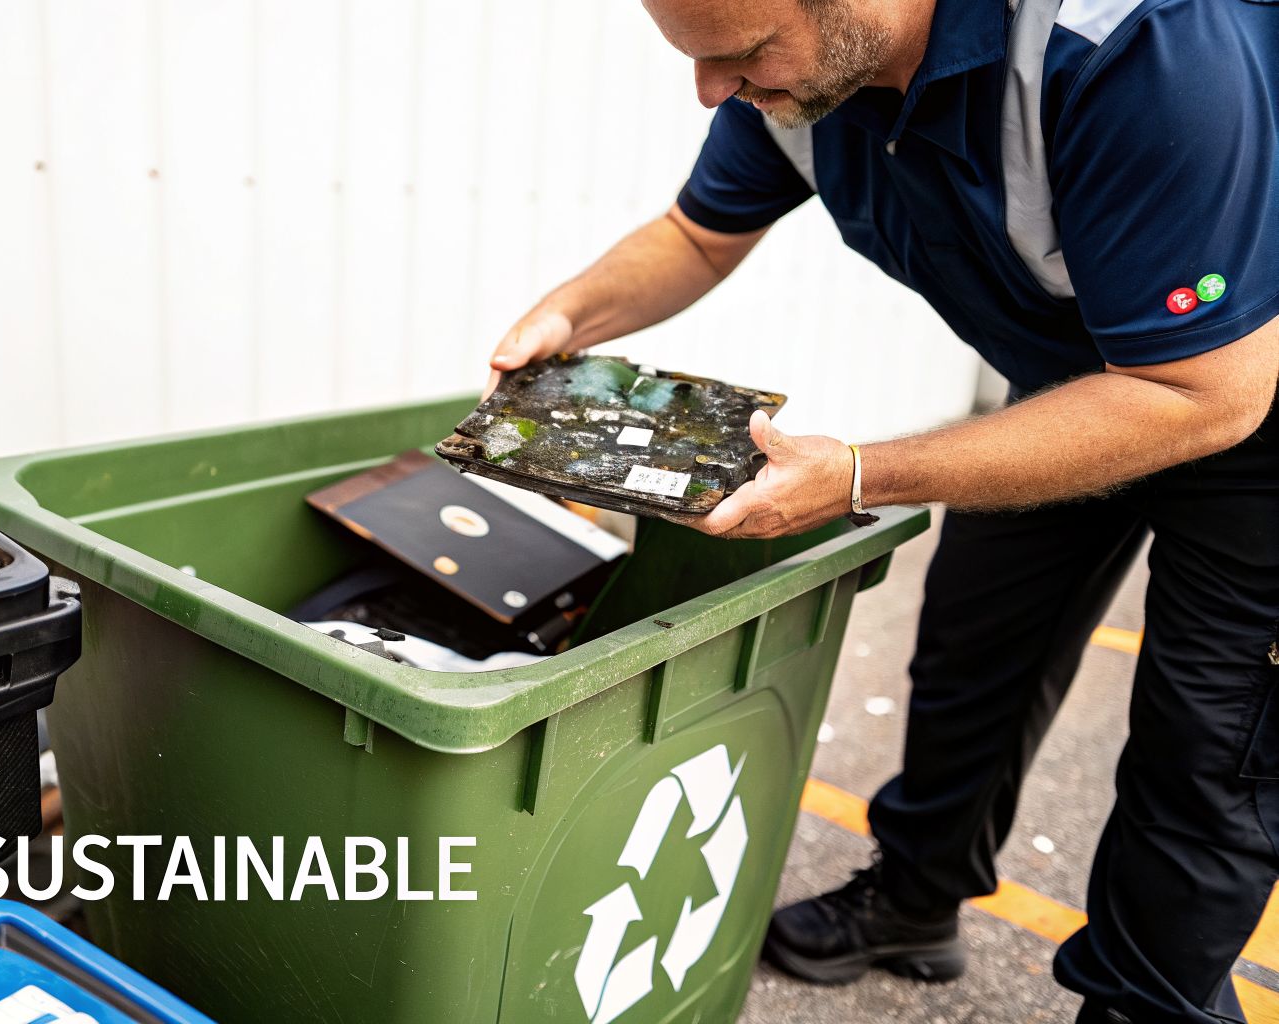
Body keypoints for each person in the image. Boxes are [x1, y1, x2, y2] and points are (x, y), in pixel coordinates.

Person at [486, 0, 1279, 1020]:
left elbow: (1206, 394)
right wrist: (568, 313)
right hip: (1066, 376)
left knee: (1207, 751)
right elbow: (694, 233)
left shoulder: (1137, 50)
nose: (710, 90)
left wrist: (861, 472)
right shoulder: (799, 74)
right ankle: (913, 902)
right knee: (970, 650)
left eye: (736, 55)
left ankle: (1144, 1008)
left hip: (1246, 394)